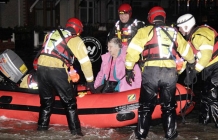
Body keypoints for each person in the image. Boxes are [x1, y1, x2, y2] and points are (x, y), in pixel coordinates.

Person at [125, 6, 195, 139]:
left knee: (145, 107)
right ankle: (170, 135)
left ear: (151, 17)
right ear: (163, 17)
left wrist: (128, 69)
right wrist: (191, 62)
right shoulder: (174, 32)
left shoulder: (145, 31)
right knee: (169, 107)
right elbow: (187, 52)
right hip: (170, 74)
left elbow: (132, 51)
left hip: (151, 73)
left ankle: (140, 135)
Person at [35, 17, 96, 137]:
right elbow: (85, 63)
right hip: (56, 69)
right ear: (78, 30)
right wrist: (90, 81)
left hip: (40, 68)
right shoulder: (75, 39)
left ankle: (41, 130)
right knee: (70, 103)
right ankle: (76, 133)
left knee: (46, 103)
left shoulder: (50, 34)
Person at [177, 13, 218, 127]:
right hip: (210, 69)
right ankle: (204, 126)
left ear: (186, 26)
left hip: (216, 67)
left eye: (180, 27)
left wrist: (194, 71)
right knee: (205, 98)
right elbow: (186, 60)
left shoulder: (201, 34)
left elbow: (205, 56)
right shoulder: (191, 39)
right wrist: (176, 74)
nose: (179, 30)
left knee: (212, 96)